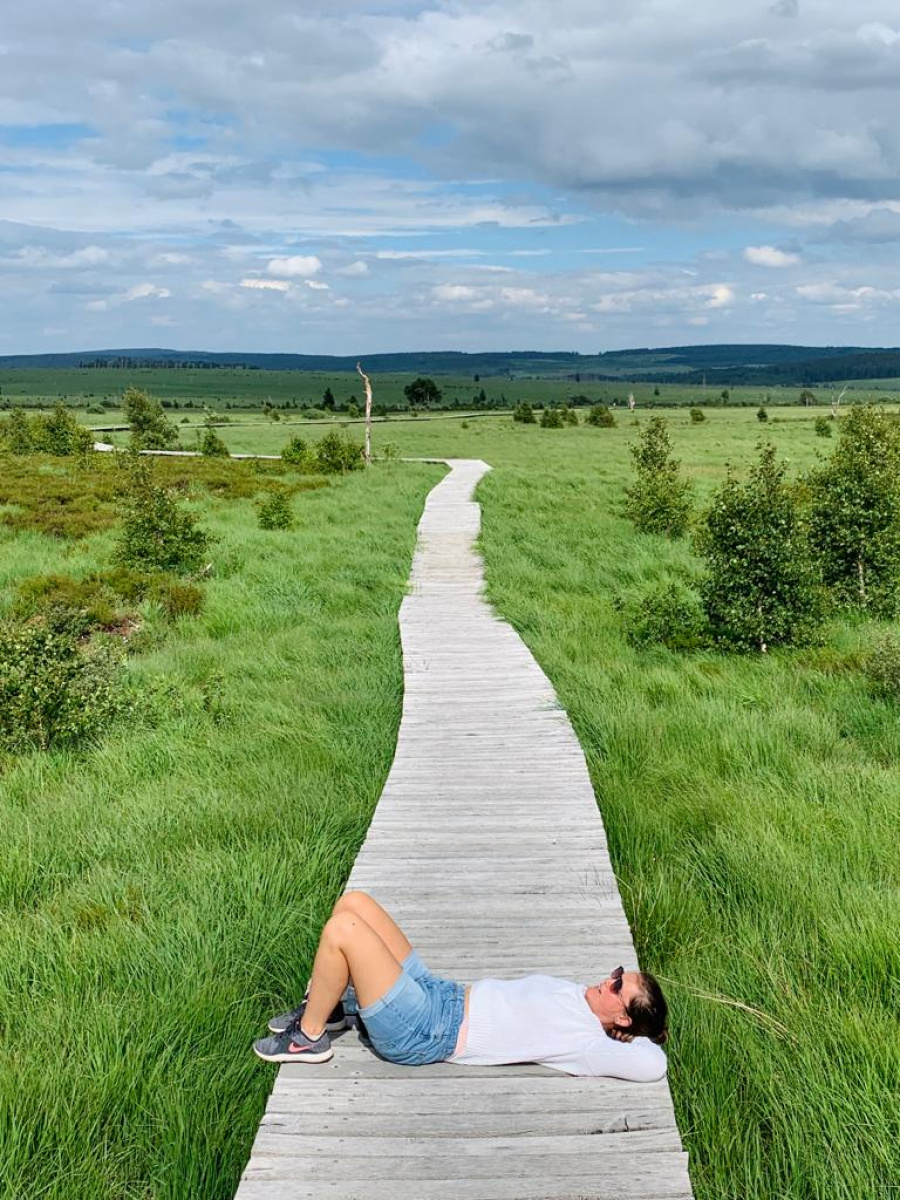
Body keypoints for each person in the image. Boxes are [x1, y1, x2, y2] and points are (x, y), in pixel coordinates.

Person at [253, 890, 669, 1082]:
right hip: (440, 994)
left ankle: (308, 1039)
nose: (609, 980)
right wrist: (621, 1017)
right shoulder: (580, 996)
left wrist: (629, 1036)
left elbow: (654, 1064)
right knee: (355, 903)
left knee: (343, 930)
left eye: (619, 988)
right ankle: (332, 1011)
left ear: (621, 1016)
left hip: (427, 1031)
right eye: (618, 973)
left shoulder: (586, 1045)